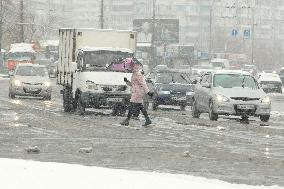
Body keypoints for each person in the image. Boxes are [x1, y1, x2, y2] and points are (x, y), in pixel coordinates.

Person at [121, 59, 154, 127]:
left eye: (131, 67)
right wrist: (127, 81)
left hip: (138, 93)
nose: (129, 68)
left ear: (134, 67)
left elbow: (143, 84)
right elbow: (133, 84)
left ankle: (127, 120)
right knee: (140, 107)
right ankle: (147, 120)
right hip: (135, 92)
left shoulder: (138, 75)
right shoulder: (134, 74)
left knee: (131, 106)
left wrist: (148, 92)